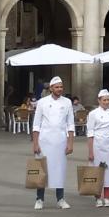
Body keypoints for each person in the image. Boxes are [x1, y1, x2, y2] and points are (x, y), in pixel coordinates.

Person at [32, 77, 74, 210]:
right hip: (44, 141)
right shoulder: (42, 102)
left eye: (61, 87)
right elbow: (36, 124)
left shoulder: (67, 102)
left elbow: (70, 124)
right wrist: (35, 143)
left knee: (59, 170)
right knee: (43, 170)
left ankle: (60, 199)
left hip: (60, 141)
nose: (59, 89)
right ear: (51, 88)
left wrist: (70, 143)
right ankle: (39, 199)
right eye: (57, 87)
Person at [87, 89, 109, 207]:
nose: (106, 102)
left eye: (108, 100)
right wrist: (90, 151)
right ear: (99, 101)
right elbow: (90, 134)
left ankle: (107, 197)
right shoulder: (93, 114)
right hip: (97, 145)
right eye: (104, 100)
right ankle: (98, 197)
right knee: (98, 171)